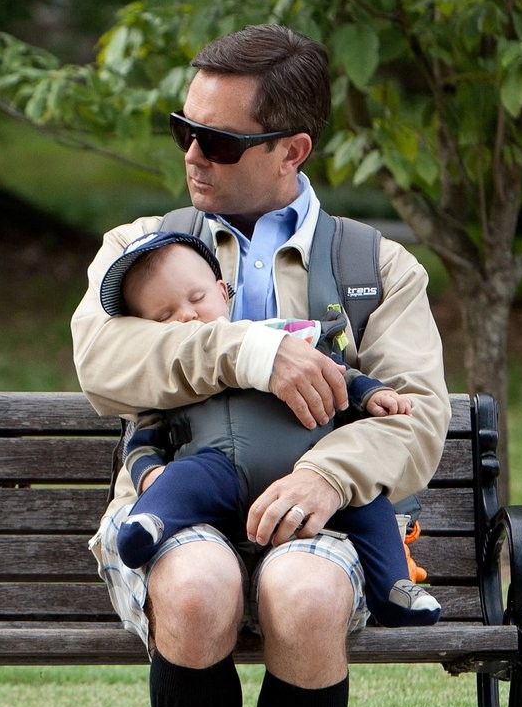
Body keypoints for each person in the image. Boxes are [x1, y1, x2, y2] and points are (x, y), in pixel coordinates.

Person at [69, 24, 448, 707]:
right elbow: (102, 361)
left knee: (307, 593)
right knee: (195, 589)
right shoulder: (140, 250)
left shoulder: (375, 268)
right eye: (182, 130)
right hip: (175, 503)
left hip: (311, 519)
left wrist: (327, 473)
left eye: (220, 140)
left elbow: (417, 417)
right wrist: (248, 348)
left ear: (292, 150)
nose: (193, 154)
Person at [99, 230, 441, 626]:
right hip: (219, 471)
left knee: (369, 508)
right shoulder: (175, 372)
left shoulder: (286, 337)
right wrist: (149, 475)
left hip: (311, 476)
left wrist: (373, 396)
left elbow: (337, 375)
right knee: (180, 482)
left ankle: (394, 591)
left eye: (196, 299)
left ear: (223, 292)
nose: (188, 316)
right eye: (164, 317)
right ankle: (151, 524)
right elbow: (143, 437)